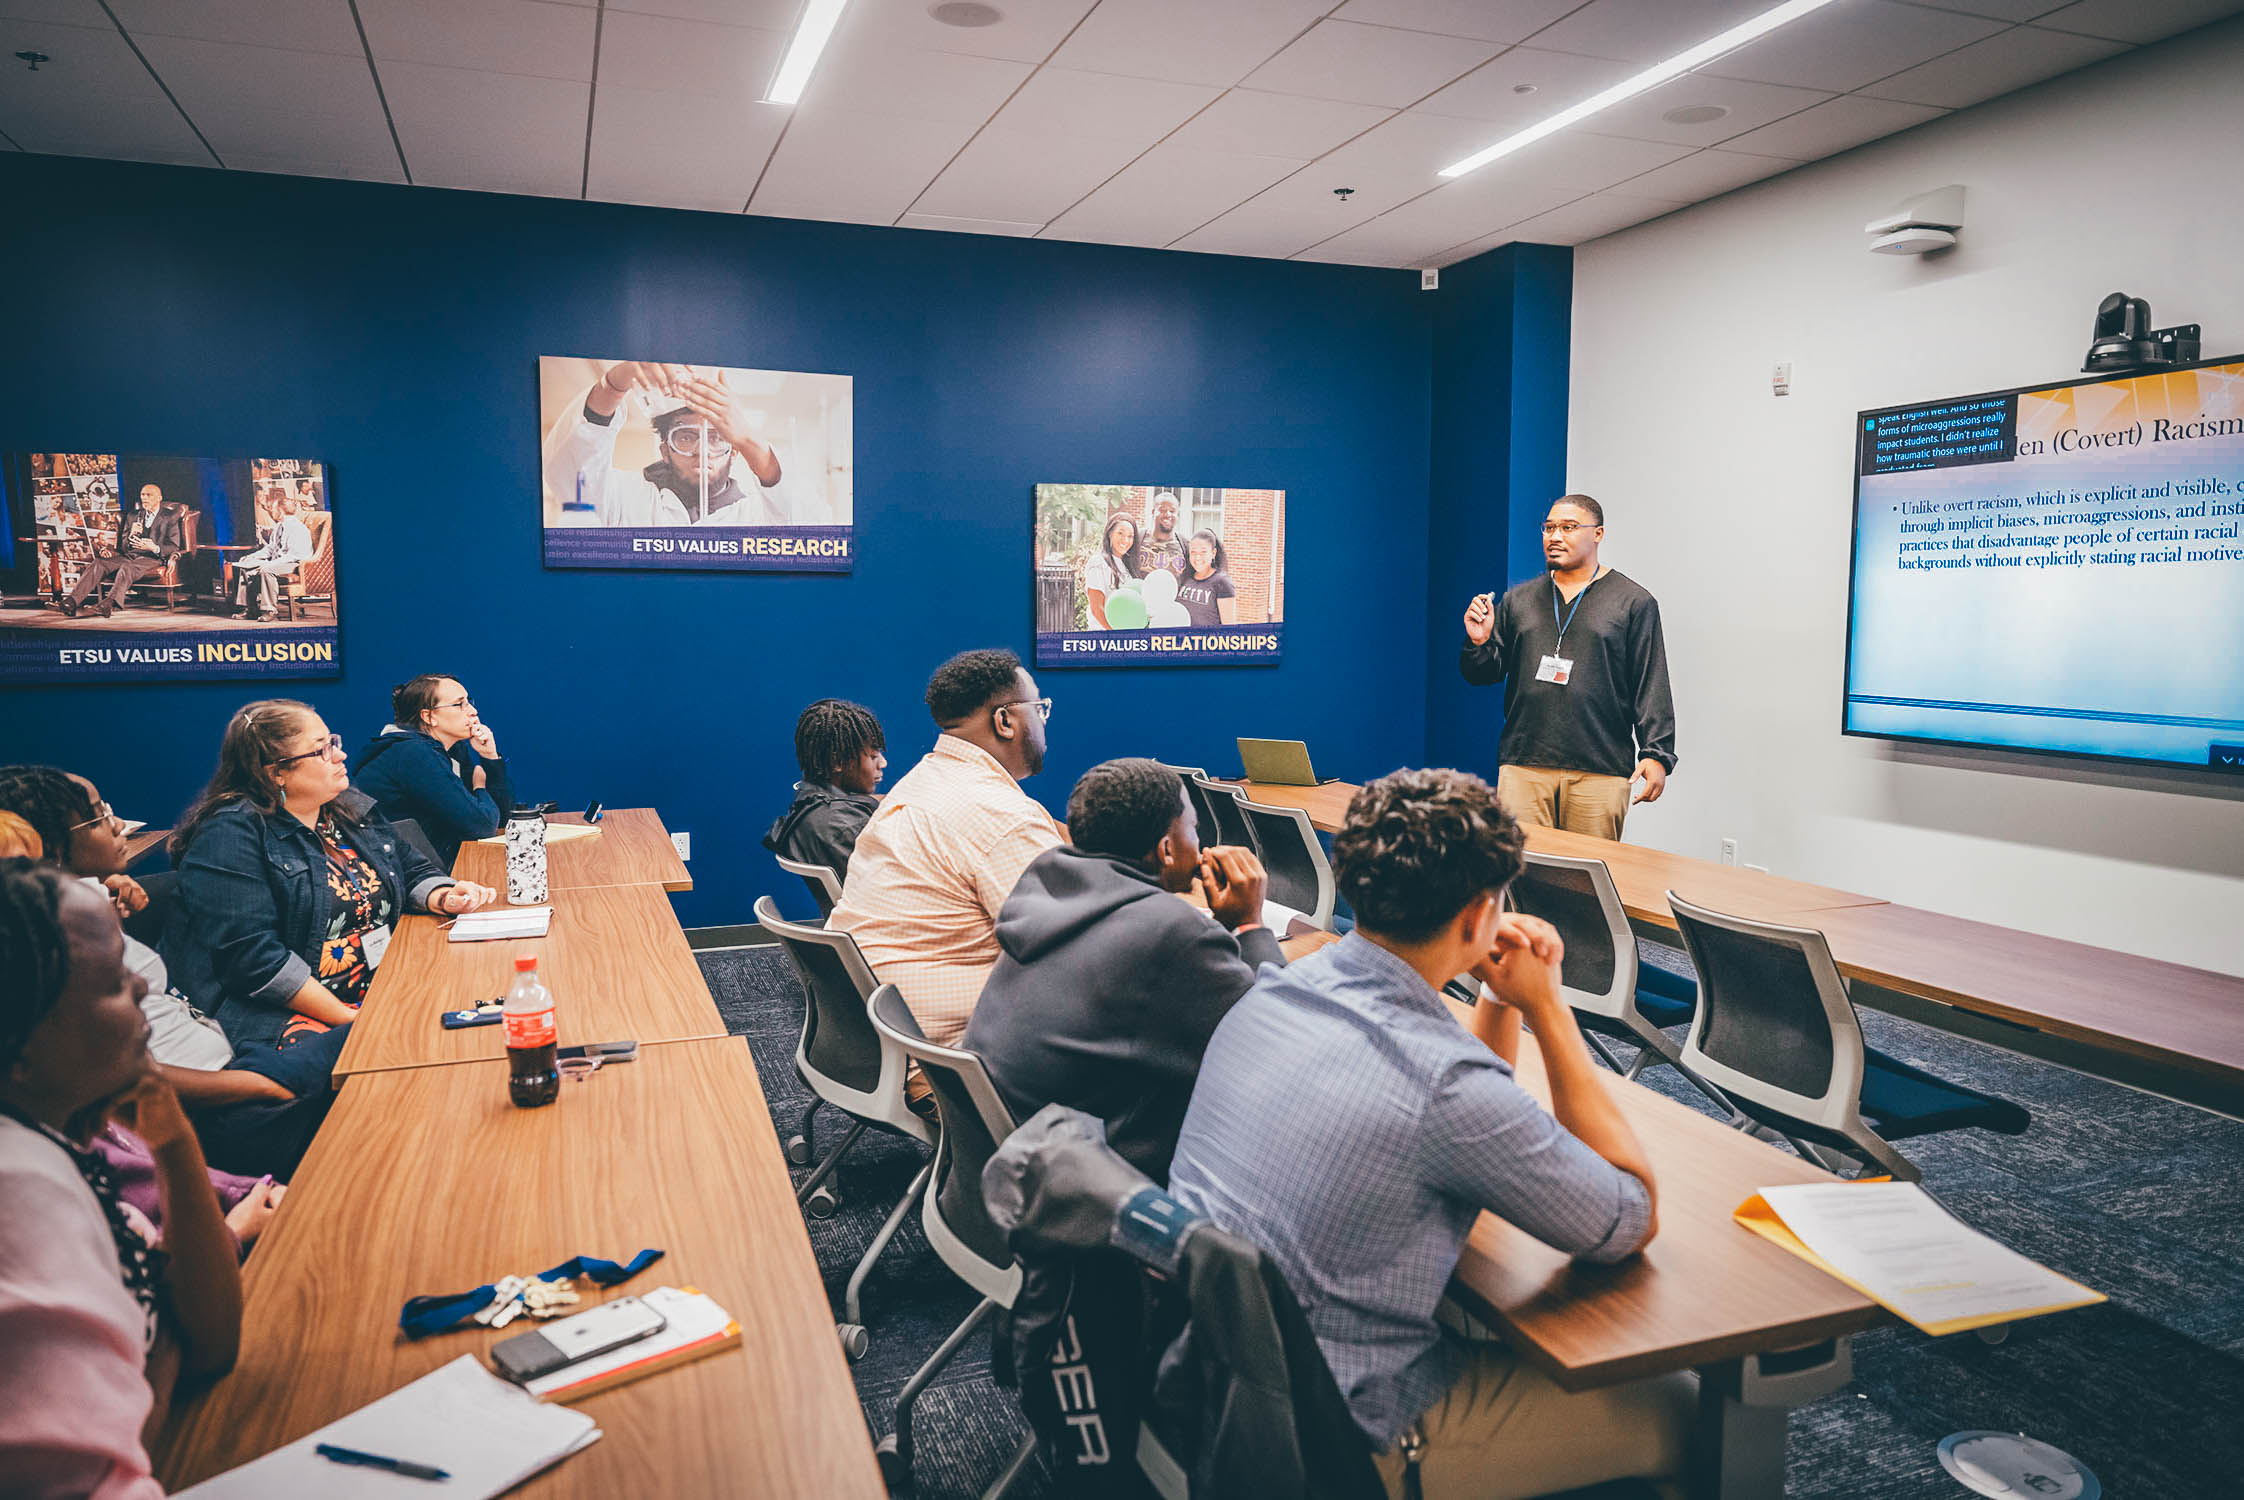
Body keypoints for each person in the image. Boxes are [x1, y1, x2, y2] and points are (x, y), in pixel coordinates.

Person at [1167, 769, 1690, 1500]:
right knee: (1686, 1405)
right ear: (1480, 914)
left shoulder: (1280, 987)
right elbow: (1625, 1217)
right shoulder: (1441, 1085)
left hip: (1214, 1383)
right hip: (1348, 1435)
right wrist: (1549, 1008)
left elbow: (1470, 1113)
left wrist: (1497, 997)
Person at [0, 860, 244, 1499]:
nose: (140, 986)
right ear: (19, 1047)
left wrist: (172, 1135)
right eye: (110, 979)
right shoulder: (18, 1191)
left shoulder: (66, 1140)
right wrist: (169, 1351)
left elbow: (213, 1341)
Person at [963, 759, 1280, 1181]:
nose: (1199, 841)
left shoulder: (1043, 887)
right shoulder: (1173, 932)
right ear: (1167, 848)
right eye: (1194, 827)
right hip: (1089, 1201)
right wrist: (1250, 925)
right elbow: (1277, 1042)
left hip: (999, 1174)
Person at [168, 701, 496, 1101]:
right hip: (291, 1013)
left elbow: (408, 868)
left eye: (333, 742)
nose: (340, 754)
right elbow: (254, 961)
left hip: (375, 989)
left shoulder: (342, 810)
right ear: (275, 773)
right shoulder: (230, 834)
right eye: (321, 749)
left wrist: (445, 895)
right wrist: (349, 1018)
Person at [828, 649, 1061, 1047]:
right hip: (952, 1069)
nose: (1042, 721)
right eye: (1038, 708)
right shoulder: (1005, 817)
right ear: (1006, 720)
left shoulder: (920, 782)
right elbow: (1075, 950)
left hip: (877, 1039)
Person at [1460, 494, 1676, 839]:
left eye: (1568, 527)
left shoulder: (1633, 602)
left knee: (1585, 882)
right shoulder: (1519, 599)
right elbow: (1483, 674)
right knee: (1520, 876)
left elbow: (1651, 681)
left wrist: (1657, 754)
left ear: (1598, 534)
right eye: (1549, 528)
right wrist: (1479, 641)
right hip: (1524, 763)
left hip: (1599, 768)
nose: (1554, 536)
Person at [543, 360, 825, 527]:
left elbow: (812, 527)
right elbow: (573, 474)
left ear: (736, 449)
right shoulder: (626, 500)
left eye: (717, 437)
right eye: (686, 437)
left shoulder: (757, 515)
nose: (702, 451)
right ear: (664, 449)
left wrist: (750, 439)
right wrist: (613, 384)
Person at [354, 674, 517, 870]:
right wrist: (479, 787)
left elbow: (501, 819)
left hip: (440, 867)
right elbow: (482, 826)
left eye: (469, 702)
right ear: (428, 716)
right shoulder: (412, 754)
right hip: (411, 880)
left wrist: (490, 757)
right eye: (459, 705)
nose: (473, 711)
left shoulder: (453, 750)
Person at [764, 699, 886, 881]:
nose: (883, 763)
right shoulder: (844, 828)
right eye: (873, 756)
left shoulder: (809, 804)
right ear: (838, 762)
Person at [61, 483, 184, 618]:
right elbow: (124, 547)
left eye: (149, 495)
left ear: (159, 498)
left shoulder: (169, 516)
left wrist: (153, 547)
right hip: (130, 555)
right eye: (143, 495)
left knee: (128, 567)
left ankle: (108, 604)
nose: (145, 498)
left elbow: (174, 545)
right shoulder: (133, 516)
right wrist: (131, 535)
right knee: (99, 563)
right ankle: (72, 601)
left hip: (152, 558)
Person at [229, 489, 314, 620]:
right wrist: (252, 557)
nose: (271, 512)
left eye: (273, 509)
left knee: (267, 570)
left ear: (280, 511)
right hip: (280, 561)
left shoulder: (298, 529)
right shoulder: (279, 527)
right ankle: (250, 609)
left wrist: (269, 564)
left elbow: (292, 556)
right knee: (245, 567)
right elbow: (270, 549)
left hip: (295, 564)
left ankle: (270, 610)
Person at [1082, 513, 1143, 629]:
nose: (1125, 540)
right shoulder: (1098, 562)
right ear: (1110, 534)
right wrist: (1115, 634)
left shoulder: (1129, 567)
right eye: (1120, 533)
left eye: (1130, 536)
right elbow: (1097, 608)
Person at [1175, 528, 1239, 627]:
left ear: (1213, 553)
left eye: (1203, 552)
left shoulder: (1222, 582)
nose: (1198, 558)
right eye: (1193, 552)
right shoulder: (1184, 578)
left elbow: (1229, 629)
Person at [1140, 492, 1186, 577]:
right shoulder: (1138, 539)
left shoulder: (1185, 545)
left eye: (1172, 511)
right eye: (1162, 510)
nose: (1168, 514)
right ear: (1153, 512)